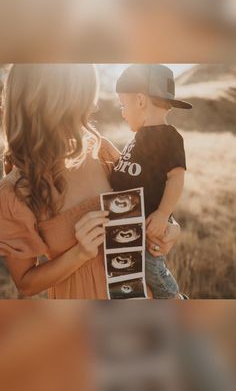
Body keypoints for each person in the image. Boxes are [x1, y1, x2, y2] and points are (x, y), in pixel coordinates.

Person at [0, 64, 180, 299]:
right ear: (55, 101)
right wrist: (80, 253)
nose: (93, 105)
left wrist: (171, 228)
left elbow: (148, 201)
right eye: (85, 95)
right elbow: (25, 283)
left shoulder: (101, 150)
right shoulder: (14, 192)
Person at [111, 64, 192, 299]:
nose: (122, 112)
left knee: (151, 270)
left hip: (147, 227)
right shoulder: (139, 137)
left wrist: (164, 213)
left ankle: (175, 299)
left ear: (140, 101)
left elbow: (176, 177)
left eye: (123, 105)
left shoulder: (169, 137)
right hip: (128, 226)